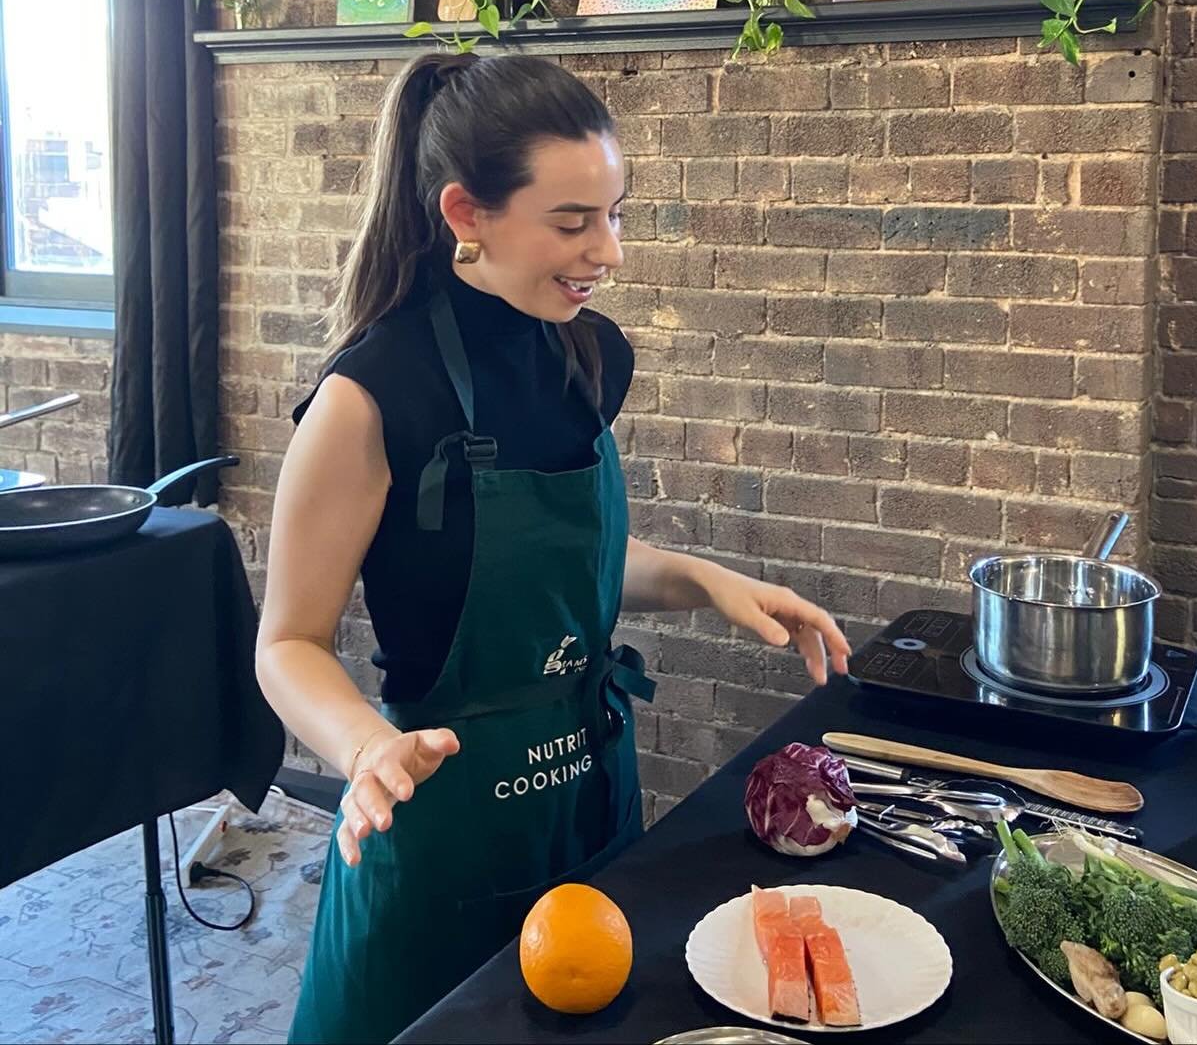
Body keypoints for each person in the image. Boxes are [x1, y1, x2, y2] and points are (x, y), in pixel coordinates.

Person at [257, 54, 850, 1045]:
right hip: (438, 818)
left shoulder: (588, 354)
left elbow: (561, 564)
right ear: (466, 213)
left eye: (615, 214)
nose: (607, 251)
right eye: (573, 223)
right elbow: (287, 643)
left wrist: (707, 581)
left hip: (591, 790)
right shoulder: (369, 396)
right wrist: (364, 749)